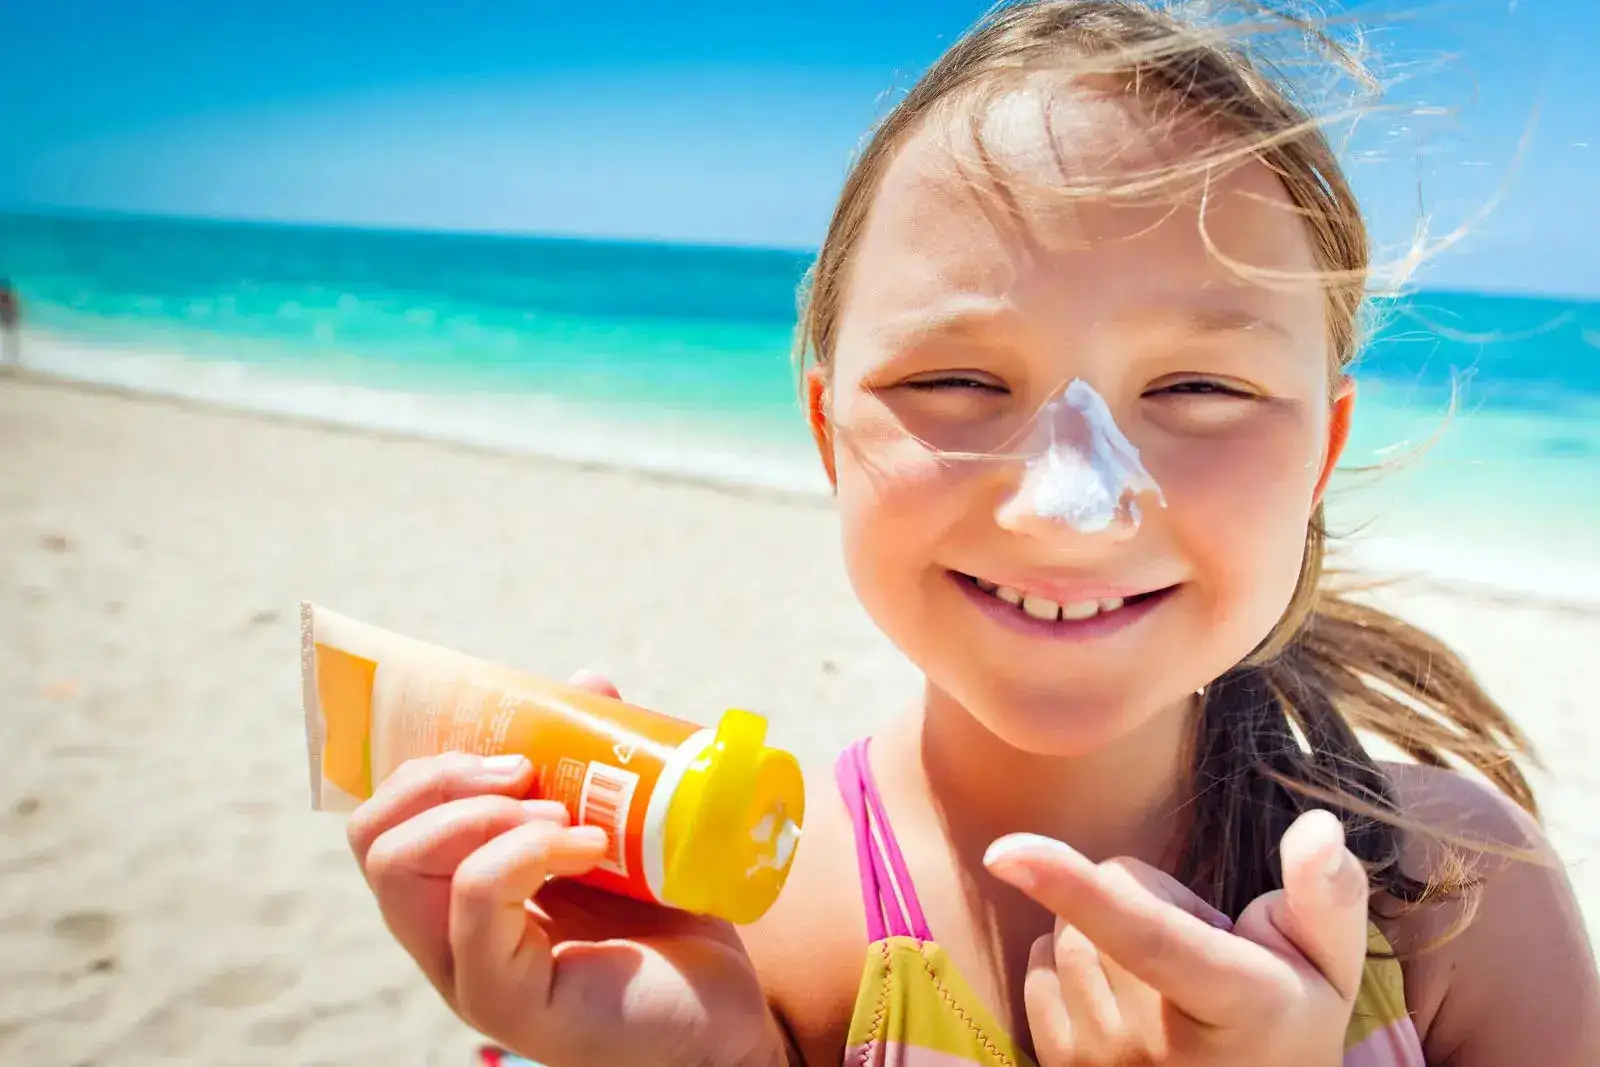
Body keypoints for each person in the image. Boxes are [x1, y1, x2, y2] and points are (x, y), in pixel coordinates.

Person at [344, 3, 1600, 1065]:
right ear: (830, 431)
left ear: (1317, 455)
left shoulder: (1454, 896)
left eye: (1199, 390)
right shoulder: (755, 922)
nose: (1067, 501)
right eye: (955, 380)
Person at [0, 278, 19, 368]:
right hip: (8, 322)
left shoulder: (7, 298)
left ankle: (10, 360)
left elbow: (14, 310)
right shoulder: (9, 297)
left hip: (9, 322)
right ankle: (10, 360)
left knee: (9, 342)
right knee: (9, 342)